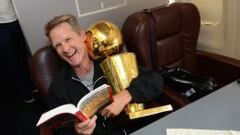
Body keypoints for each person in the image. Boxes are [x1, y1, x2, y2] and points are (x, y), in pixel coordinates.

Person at [45, 14, 164, 135]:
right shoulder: (57, 88)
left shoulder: (109, 62)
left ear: (82, 36)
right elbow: (60, 131)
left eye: (68, 39)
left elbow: (155, 80)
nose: (65, 49)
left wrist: (128, 94)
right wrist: (77, 131)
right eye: (58, 45)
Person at [0, 0, 35, 103]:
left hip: (17, 17)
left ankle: (30, 83)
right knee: (10, 59)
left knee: (22, 54)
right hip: (1, 24)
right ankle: (25, 90)